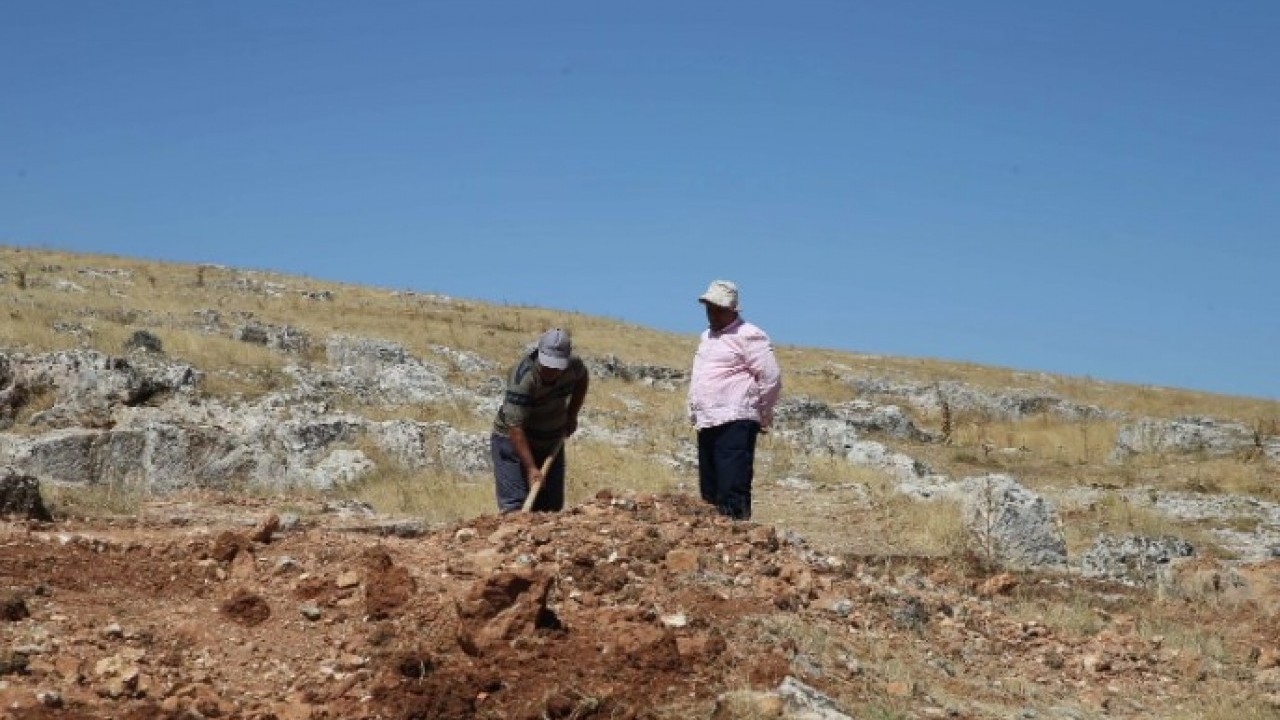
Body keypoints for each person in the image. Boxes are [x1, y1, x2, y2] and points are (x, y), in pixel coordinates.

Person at [687, 280, 782, 520]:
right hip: (708, 420)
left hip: (736, 419)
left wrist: (763, 413)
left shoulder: (750, 335)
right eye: (709, 308)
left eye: (719, 309)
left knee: (732, 485)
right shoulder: (706, 337)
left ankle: (738, 540)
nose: (713, 314)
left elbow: (770, 377)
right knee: (709, 490)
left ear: (733, 309)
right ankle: (714, 543)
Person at [490, 328, 590, 513]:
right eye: (548, 364)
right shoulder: (524, 378)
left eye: (557, 366)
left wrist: (572, 414)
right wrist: (531, 468)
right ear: (539, 354)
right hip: (513, 442)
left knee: (550, 509)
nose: (551, 370)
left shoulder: (574, 366)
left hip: (550, 440)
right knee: (515, 507)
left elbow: (582, 378)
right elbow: (515, 428)